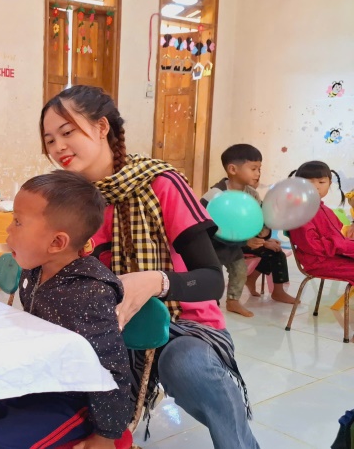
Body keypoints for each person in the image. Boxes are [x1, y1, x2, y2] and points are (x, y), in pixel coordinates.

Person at [40, 85, 258, 448]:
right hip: (112, 330)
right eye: (49, 140)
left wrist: (154, 282)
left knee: (186, 364)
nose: (58, 147)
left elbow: (211, 281)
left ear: (100, 128)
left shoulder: (161, 182)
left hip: (184, 324)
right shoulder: (73, 203)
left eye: (67, 132)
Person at [0, 170, 133, 449]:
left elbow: (113, 368)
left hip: (76, 399)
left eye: (17, 222)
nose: (8, 231)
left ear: (56, 243)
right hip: (37, 378)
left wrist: (105, 435)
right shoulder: (35, 270)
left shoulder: (89, 293)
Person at [200, 144, 295, 317]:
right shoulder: (214, 195)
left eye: (259, 168)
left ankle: (233, 301)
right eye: (253, 168)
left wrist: (264, 235)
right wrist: (245, 242)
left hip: (237, 244)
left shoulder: (251, 194)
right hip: (211, 244)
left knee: (239, 270)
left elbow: (259, 219)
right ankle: (210, 304)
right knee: (213, 274)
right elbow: (205, 228)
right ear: (233, 169)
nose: (258, 173)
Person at [288, 161, 354, 281]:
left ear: (330, 183)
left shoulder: (325, 210)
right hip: (318, 263)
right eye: (309, 182)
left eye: (321, 182)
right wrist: (344, 245)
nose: (316, 186)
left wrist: (348, 240)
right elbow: (313, 246)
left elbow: (339, 234)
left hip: (335, 256)